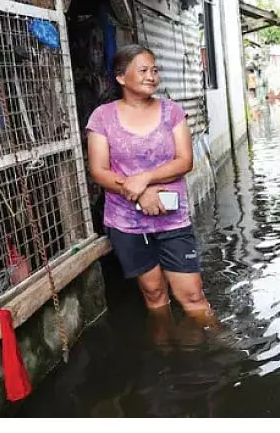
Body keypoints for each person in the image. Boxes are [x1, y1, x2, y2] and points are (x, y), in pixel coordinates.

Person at [86, 44, 216, 340]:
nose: (151, 76)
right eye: (143, 70)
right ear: (121, 77)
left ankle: (221, 346)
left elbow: (185, 161)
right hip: (126, 222)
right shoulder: (103, 117)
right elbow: (99, 170)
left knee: (193, 296)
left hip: (172, 219)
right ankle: (164, 347)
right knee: (154, 293)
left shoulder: (172, 112)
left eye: (154, 70)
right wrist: (138, 192)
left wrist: (144, 178)